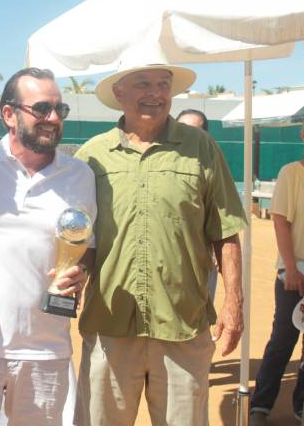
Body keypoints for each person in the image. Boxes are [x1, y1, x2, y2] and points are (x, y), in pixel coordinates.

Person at [74, 59, 247, 425]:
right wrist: (70, 274)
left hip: (182, 327)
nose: (155, 94)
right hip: (111, 326)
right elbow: (77, 237)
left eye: (163, 84)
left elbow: (226, 231)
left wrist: (234, 303)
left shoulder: (201, 148)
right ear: (119, 93)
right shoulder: (91, 156)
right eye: (143, 83)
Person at [0, 68, 96, 425]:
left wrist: (81, 271)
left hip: (47, 351)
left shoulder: (80, 176)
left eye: (60, 110)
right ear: (9, 114)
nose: (53, 119)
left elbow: (88, 246)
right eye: (41, 109)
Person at [250, 116, 304, 425]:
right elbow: (280, 221)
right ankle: (260, 406)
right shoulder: (291, 173)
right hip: (295, 275)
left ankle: (303, 406)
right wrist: (291, 267)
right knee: (283, 340)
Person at [175, 108, 218, 302]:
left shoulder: (213, 168)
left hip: (201, 264)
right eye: (182, 128)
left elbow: (222, 221)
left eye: (196, 130)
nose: (188, 134)